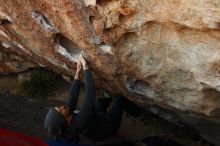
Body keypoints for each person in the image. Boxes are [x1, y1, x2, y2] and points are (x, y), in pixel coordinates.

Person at [44, 54, 124, 143]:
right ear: (64, 120)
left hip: (96, 118)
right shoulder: (79, 123)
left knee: (101, 102)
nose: (62, 107)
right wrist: (85, 66)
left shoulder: (67, 118)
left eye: (58, 108)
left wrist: (78, 71)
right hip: (108, 126)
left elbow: (73, 97)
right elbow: (90, 95)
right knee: (120, 99)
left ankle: (108, 98)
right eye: (61, 111)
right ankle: (136, 112)